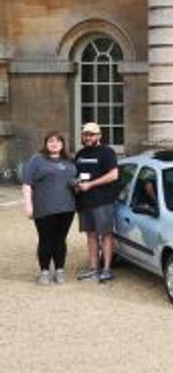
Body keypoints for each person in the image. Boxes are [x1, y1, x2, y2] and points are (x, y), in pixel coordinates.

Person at [21, 131, 78, 285]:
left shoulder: (69, 160)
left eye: (58, 141)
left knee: (60, 240)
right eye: (51, 141)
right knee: (45, 239)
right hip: (44, 208)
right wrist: (28, 205)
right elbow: (27, 184)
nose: (55, 144)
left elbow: (73, 181)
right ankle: (44, 272)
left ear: (62, 144)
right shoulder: (37, 160)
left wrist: (77, 184)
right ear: (46, 143)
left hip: (67, 208)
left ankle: (60, 271)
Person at [73, 121, 120, 282]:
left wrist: (90, 184)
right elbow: (76, 174)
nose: (88, 137)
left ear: (99, 136)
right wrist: (76, 185)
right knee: (90, 235)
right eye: (85, 134)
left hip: (103, 201)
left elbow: (114, 175)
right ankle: (94, 269)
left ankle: (107, 269)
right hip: (84, 202)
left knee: (106, 235)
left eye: (91, 134)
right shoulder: (80, 154)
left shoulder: (107, 152)